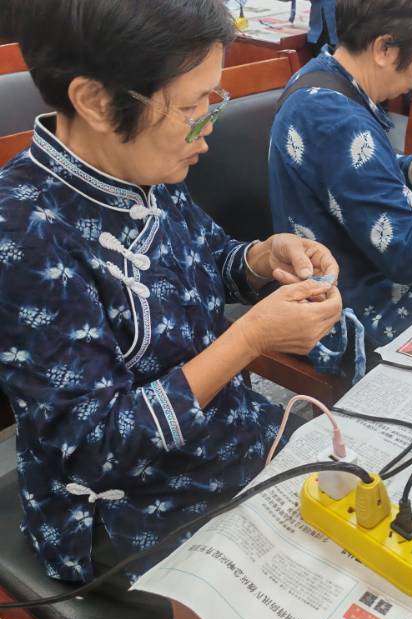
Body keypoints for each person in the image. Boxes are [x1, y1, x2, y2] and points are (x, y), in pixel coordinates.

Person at [0, 0, 342, 583]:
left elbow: (206, 260)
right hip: (126, 510)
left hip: (224, 436)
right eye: (190, 107)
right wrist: (251, 338)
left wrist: (262, 258)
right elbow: (96, 450)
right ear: (96, 102)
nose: (207, 127)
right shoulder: (23, 234)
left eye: (212, 99)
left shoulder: (138, 164)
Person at [268, 0, 412, 352]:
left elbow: (345, 178)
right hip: (351, 315)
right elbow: (410, 257)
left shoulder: (321, 75)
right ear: (384, 49)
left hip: (356, 274)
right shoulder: (337, 120)